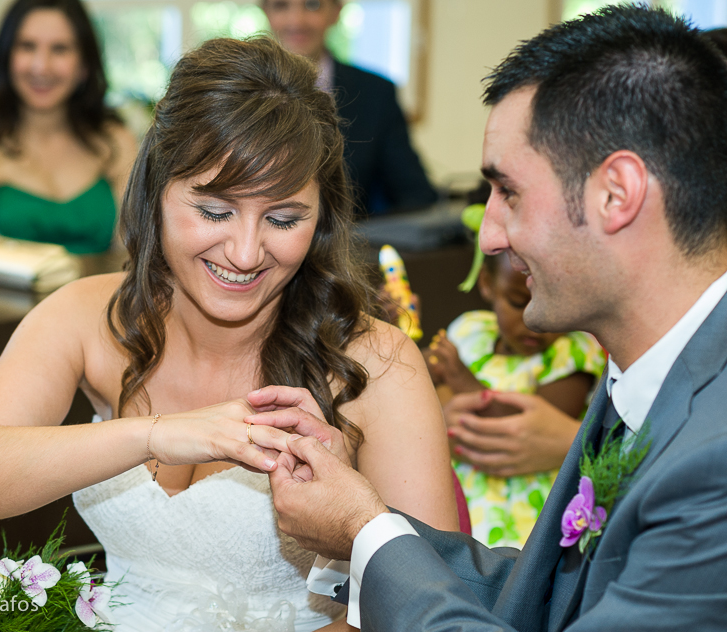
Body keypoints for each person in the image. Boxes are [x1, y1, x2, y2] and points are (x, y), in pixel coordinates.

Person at [0, 36, 458, 632]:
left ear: (322, 217)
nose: (246, 253)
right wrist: (155, 435)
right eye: (216, 212)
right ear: (156, 191)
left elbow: (431, 609)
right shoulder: (87, 317)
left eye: (283, 219)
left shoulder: (375, 362)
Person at [262, 6, 727, 630]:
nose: (488, 236)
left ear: (617, 194)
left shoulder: (713, 462)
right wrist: (364, 530)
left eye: (508, 191)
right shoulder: (640, 379)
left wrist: (364, 529)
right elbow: (553, 597)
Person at [423, 247, 605, 548]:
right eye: (518, 302)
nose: (534, 319)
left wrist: (462, 382)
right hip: (467, 507)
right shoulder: (470, 332)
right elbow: (426, 371)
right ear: (487, 284)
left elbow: (530, 425)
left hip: (532, 514)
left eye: (552, 301)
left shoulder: (571, 351)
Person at [0, 0, 137, 254]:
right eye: (27, 47)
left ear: (84, 65)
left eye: (60, 49)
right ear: (6, 56)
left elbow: (135, 256)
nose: (41, 66)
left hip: (104, 293)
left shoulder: (117, 141)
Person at [261, 0, 437, 217]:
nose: (297, 21)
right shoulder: (237, 91)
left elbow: (416, 194)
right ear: (265, 12)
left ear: (336, 12)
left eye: (313, 5)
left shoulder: (375, 92)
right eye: (280, 6)